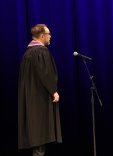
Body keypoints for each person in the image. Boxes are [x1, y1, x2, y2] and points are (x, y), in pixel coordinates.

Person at [18, 24, 62, 156]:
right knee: (39, 136)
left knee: (37, 136)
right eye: (49, 34)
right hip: (39, 99)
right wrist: (53, 91)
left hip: (30, 98)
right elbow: (46, 73)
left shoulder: (27, 53)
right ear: (42, 36)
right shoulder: (41, 52)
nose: (50, 36)